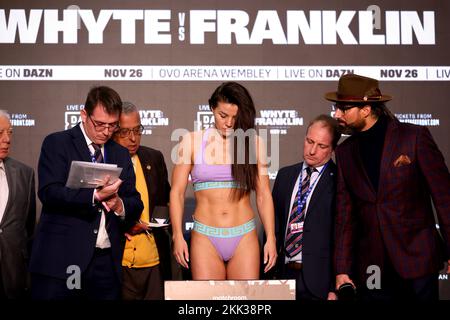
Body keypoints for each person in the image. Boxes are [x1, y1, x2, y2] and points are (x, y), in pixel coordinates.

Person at [327, 73, 450, 300]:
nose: (336, 114)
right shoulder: (344, 152)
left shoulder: (413, 137)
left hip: (417, 259)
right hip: (372, 268)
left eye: (344, 108)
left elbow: (444, 198)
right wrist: (342, 269)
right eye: (337, 107)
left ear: (366, 109)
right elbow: (345, 217)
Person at [29, 86, 143, 300]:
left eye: (112, 125)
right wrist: (94, 197)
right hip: (62, 260)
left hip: (105, 264)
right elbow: (49, 192)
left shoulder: (119, 153)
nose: (106, 131)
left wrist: (120, 205)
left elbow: (135, 202)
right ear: (84, 115)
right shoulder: (57, 143)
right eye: (100, 124)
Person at [170, 81, 277, 280]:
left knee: (243, 307)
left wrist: (270, 237)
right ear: (212, 108)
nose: (228, 123)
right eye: (223, 115)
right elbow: (176, 193)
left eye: (235, 118)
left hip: (244, 235)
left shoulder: (253, 143)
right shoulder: (192, 141)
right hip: (205, 237)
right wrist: (177, 235)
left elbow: (263, 195)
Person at [272, 114, 340, 300]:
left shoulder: (340, 181)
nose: (312, 150)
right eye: (309, 141)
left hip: (320, 283)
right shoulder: (285, 176)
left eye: (321, 146)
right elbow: (274, 226)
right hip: (283, 278)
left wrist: (334, 287)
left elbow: (342, 237)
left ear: (333, 149)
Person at [113, 101, 176, 300]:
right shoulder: (102, 160)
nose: (133, 138)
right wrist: (124, 226)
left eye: (137, 130)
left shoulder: (154, 158)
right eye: (125, 132)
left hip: (154, 259)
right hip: (119, 260)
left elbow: (165, 201)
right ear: (113, 131)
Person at [0, 110, 36, 299]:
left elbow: (28, 229)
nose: (7, 139)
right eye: (0, 133)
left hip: (14, 275)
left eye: (10, 132)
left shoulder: (25, 174)